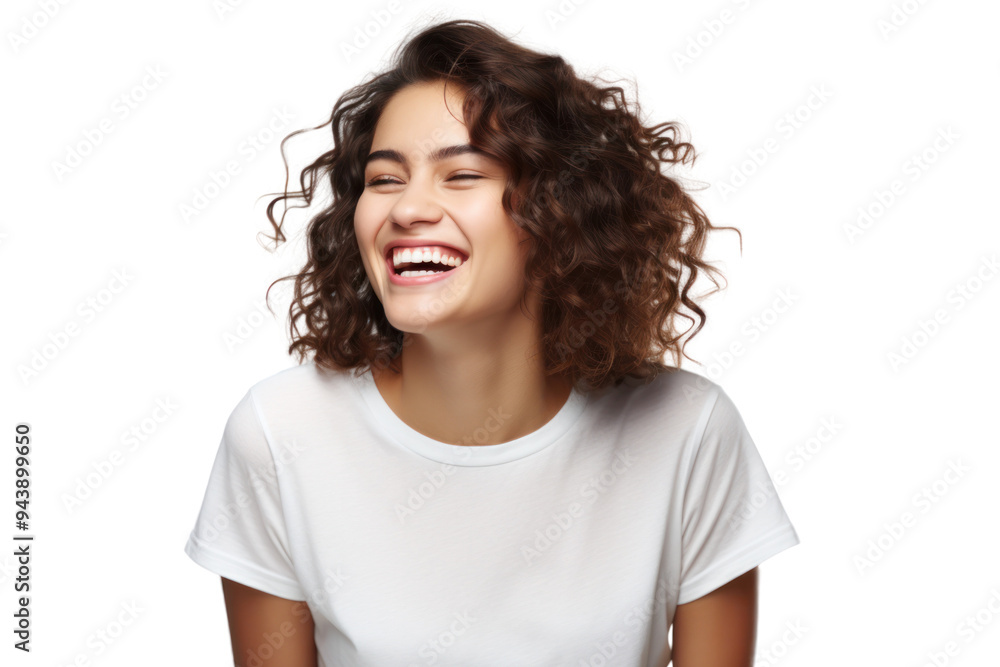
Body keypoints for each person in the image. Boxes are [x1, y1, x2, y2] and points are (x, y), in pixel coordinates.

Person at [183, 17, 800, 667]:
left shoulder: (689, 431)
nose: (407, 208)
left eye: (463, 174)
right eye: (385, 178)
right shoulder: (281, 435)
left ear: (558, 210)